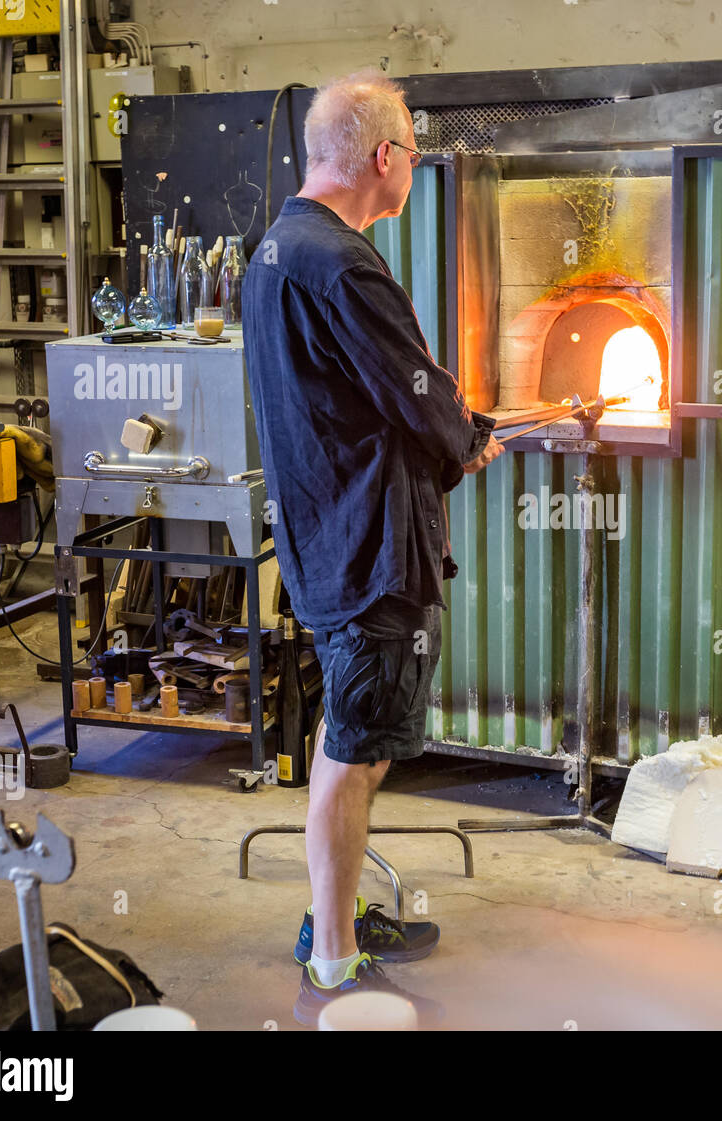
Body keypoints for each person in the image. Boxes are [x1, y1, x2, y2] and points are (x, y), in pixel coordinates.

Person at [242, 69, 503, 1025]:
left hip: (321, 535)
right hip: (364, 547)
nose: (417, 166)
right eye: (413, 151)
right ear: (384, 158)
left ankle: (335, 910)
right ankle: (336, 961)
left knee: (350, 738)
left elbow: (362, 393)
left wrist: (450, 424)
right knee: (353, 751)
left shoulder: (277, 247)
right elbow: (416, 390)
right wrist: (469, 438)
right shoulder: (344, 262)